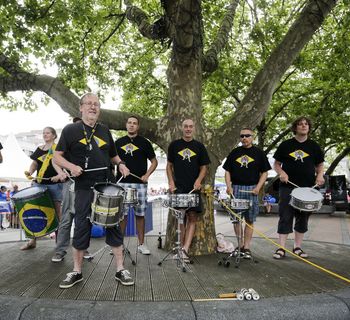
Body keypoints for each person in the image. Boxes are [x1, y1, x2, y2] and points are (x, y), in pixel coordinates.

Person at [53, 92, 134, 289]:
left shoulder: (105, 130)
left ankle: (120, 269)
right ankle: (77, 271)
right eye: (88, 103)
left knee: (113, 225)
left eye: (96, 104)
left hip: (107, 185)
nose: (93, 107)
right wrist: (71, 167)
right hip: (83, 187)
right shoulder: (70, 130)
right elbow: (57, 156)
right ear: (80, 108)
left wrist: (121, 164)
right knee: (81, 225)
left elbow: (113, 156)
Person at [273, 116, 324, 259]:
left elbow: (320, 165)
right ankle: (281, 248)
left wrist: (320, 176)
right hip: (288, 187)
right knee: (285, 216)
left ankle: (297, 247)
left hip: (308, 188)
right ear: (295, 128)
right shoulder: (285, 145)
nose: (303, 126)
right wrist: (281, 172)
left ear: (309, 127)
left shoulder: (314, 146)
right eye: (300, 124)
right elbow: (276, 164)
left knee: (303, 218)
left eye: (306, 124)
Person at [166, 119, 210, 261]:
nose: (188, 129)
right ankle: (179, 248)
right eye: (186, 126)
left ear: (194, 128)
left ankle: (185, 249)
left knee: (192, 217)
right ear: (181, 127)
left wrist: (198, 181)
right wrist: (171, 182)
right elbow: (169, 166)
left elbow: (204, 167)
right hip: (179, 188)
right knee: (180, 217)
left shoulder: (199, 146)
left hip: (193, 189)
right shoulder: (174, 145)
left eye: (191, 126)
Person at [223, 128, 271, 259]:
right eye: (242, 136)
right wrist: (229, 186)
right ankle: (239, 245)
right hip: (236, 189)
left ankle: (247, 247)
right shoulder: (234, 153)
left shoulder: (259, 153)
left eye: (247, 136)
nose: (244, 138)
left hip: (252, 189)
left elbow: (265, 172)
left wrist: (258, 187)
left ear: (252, 137)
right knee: (236, 219)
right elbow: (227, 171)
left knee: (249, 220)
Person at [51, 117, 92, 262]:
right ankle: (60, 251)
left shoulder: (90, 141)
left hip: (86, 185)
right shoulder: (67, 140)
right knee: (67, 218)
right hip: (70, 184)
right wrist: (61, 172)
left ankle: (83, 248)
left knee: (84, 218)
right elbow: (54, 159)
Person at [115, 116, 158, 255]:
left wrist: (147, 175)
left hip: (139, 184)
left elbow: (154, 161)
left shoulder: (144, 142)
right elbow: (112, 160)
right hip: (122, 183)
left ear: (138, 127)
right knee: (122, 215)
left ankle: (141, 244)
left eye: (134, 123)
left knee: (140, 214)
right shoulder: (118, 142)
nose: (132, 125)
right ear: (126, 125)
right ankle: (119, 245)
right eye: (129, 123)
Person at [20, 127, 66, 250]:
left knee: (57, 214)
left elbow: (64, 164)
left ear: (54, 135)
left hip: (55, 185)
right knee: (34, 210)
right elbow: (35, 164)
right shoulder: (39, 148)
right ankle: (32, 241)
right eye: (44, 133)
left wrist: (59, 175)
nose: (45, 135)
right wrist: (30, 172)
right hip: (38, 183)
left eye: (48, 133)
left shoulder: (59, 148)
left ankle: (59, 243)